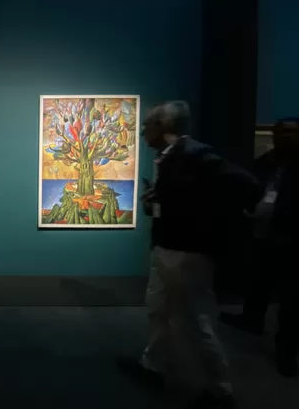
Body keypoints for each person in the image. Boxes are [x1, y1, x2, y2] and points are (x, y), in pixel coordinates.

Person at [119, 101, 262, 409]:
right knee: (157, 307)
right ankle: (153, 363)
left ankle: (221, 388)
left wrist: (202, 220)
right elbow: (175, 198)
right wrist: (156, 203)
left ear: (162, 127)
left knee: (195, 319)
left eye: (146, 126)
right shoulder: (168, 157)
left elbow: (248, 186)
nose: (142, 132)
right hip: (165, 248)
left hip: (186, 254)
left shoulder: (197, 155)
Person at [219, 117, 299, 378]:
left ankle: (286, 352)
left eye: (291, 132)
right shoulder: (266, 162)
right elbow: (250, 187)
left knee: (290, 299)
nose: (285, 137)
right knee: (258, 282)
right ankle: (252, 319)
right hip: (262, 235)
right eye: (280, 133)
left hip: (291, 239)